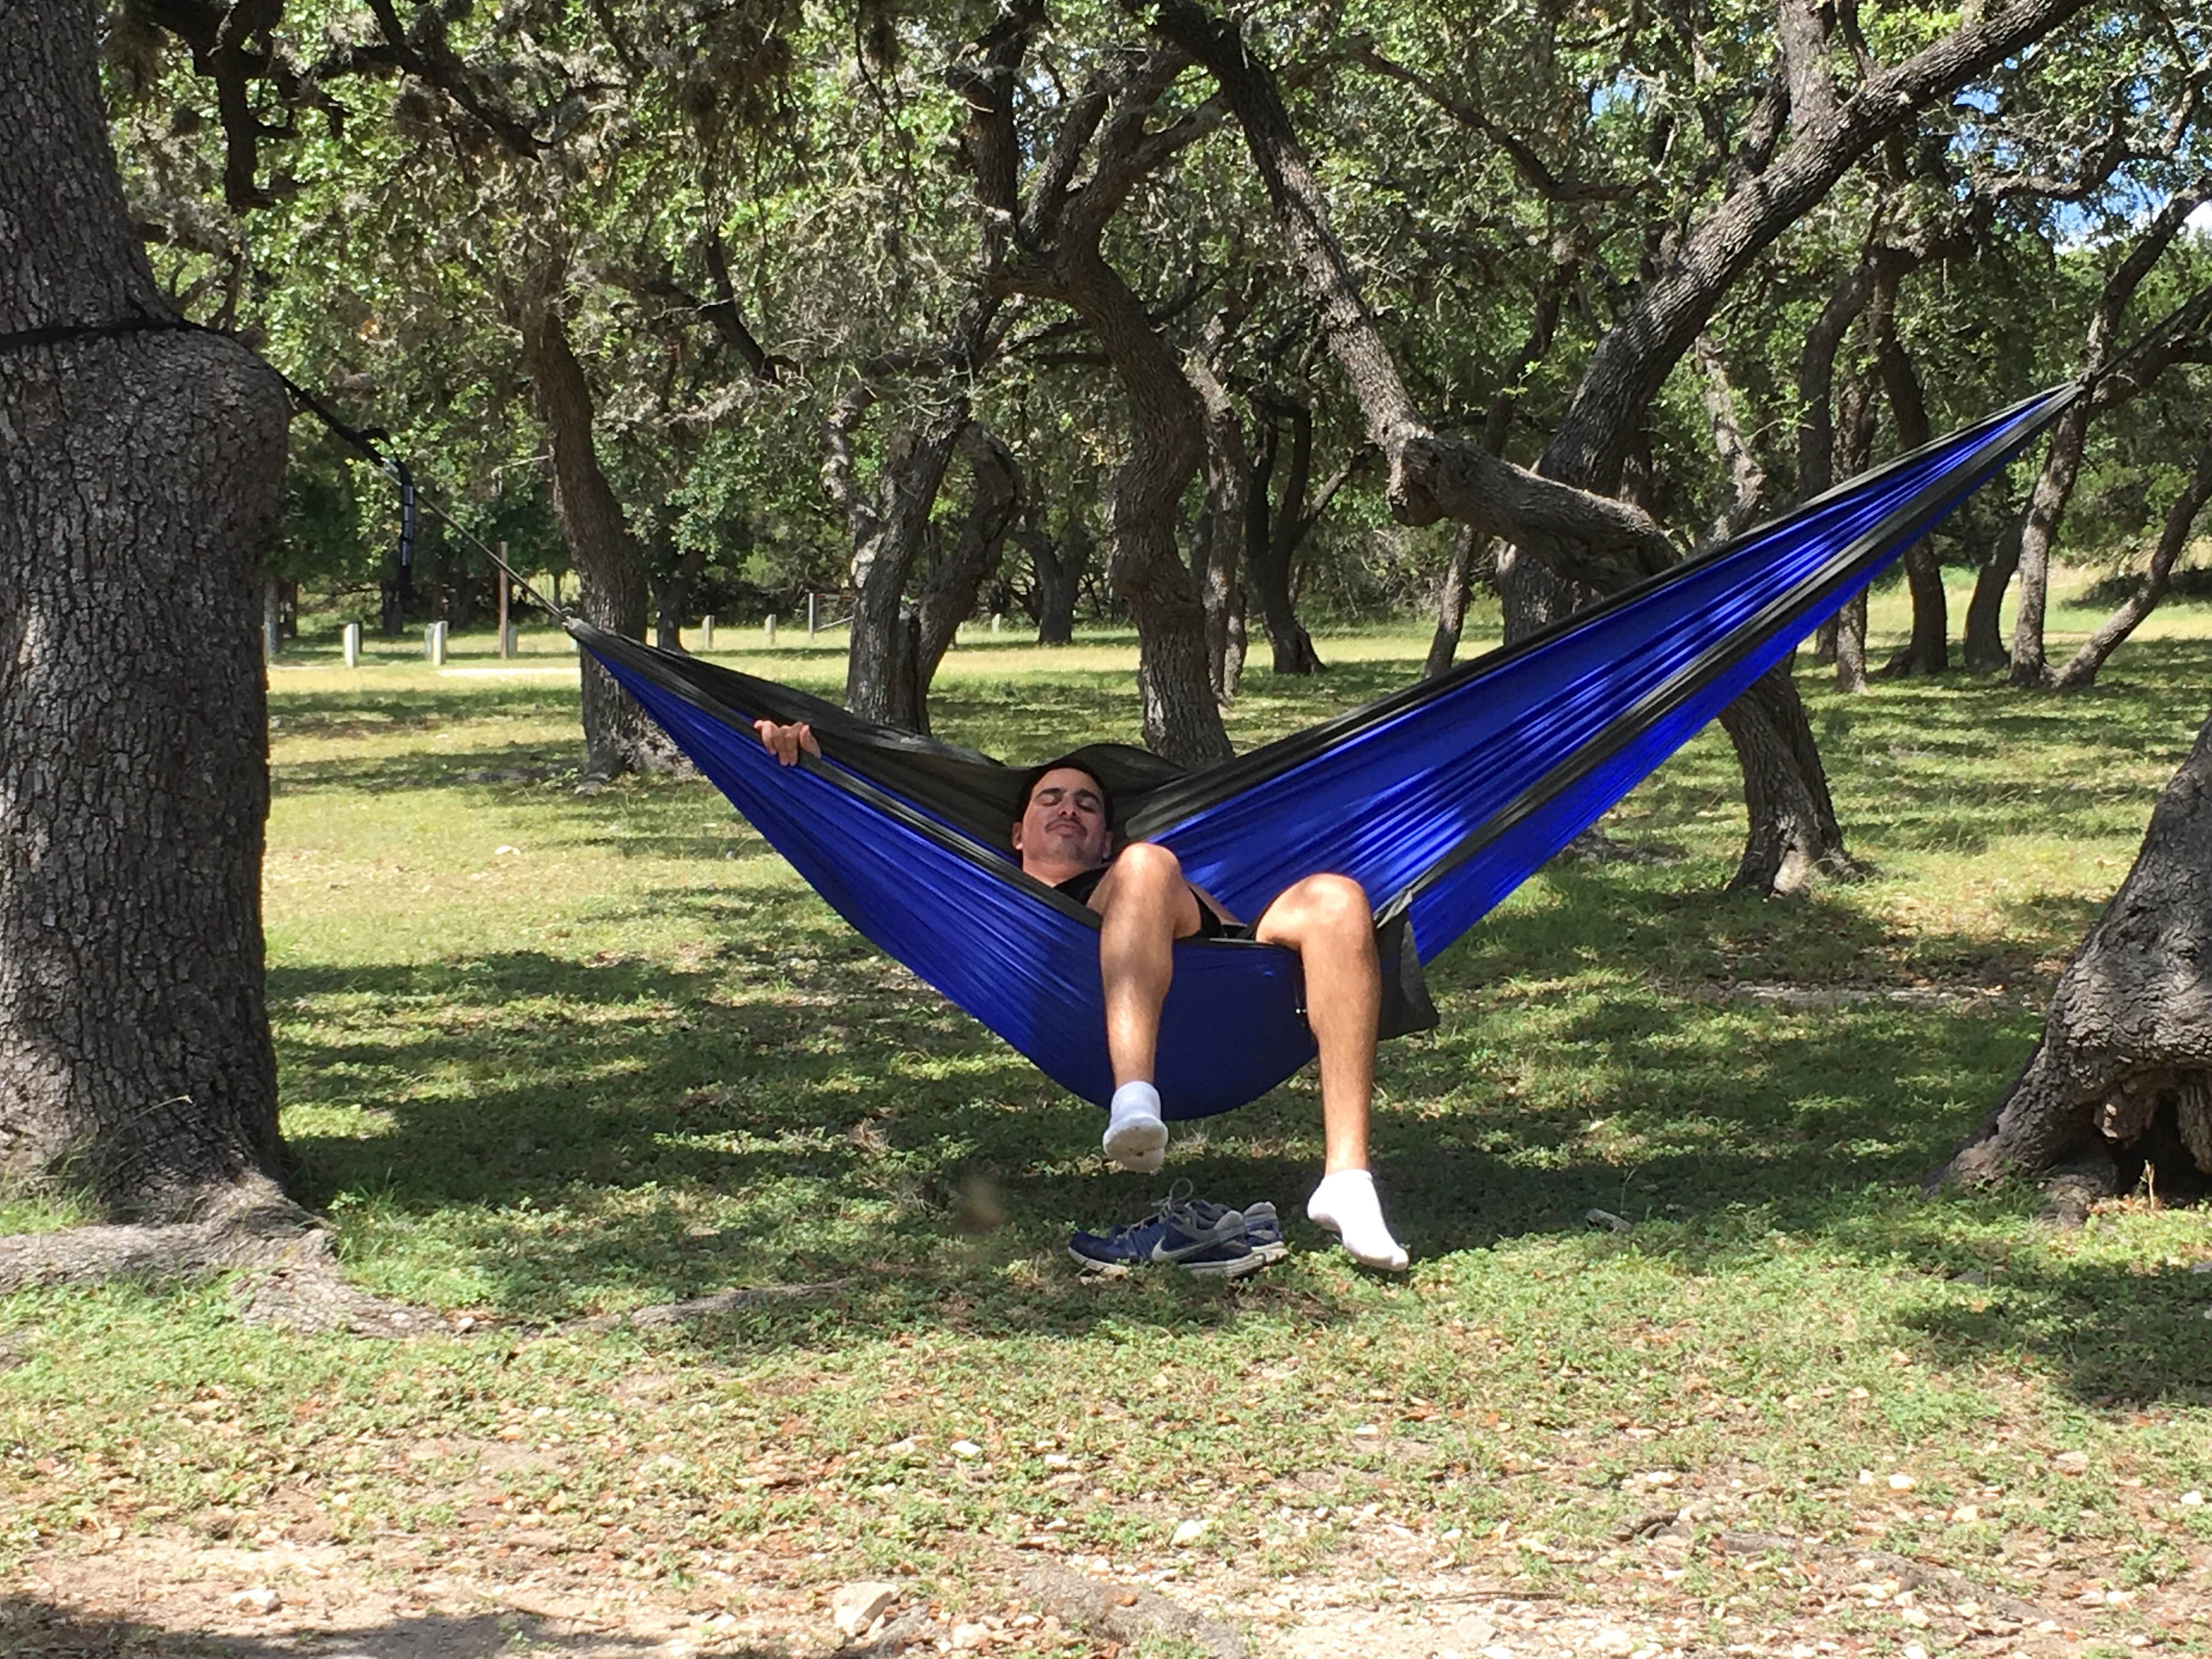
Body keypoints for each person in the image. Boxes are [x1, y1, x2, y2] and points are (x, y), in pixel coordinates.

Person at [753, 719, 1408, 1271]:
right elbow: (887, 834)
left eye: (1087, 805)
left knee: (1339, 899)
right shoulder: (1001, 899)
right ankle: (1133, 1102)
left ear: (1102, 841)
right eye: (1051, 799)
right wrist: (805, 759)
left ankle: (1347, 1182)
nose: (1069, 808)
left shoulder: (1138, 867)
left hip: (1238, 971)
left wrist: (1152, 877)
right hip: (1118, 972)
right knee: (1149, 865)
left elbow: (1173, 885)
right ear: (1016, 835)